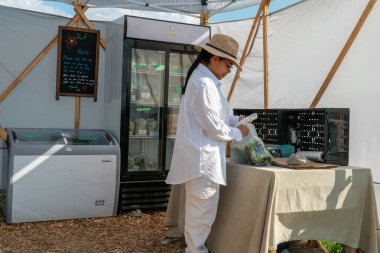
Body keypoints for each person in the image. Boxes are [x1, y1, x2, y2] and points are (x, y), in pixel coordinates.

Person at [164, 34, 249, 253]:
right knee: (201, 214)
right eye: (228, 65)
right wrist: (237, 132)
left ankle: (196, 249)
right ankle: (196, 250)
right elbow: (213, 126)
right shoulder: (203, 84)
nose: (229, 70)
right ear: (214, 59)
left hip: (201, 158)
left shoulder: (206, 81)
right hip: (202, 159)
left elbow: (213, 117)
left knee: (200, 212)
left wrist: (234, 121)